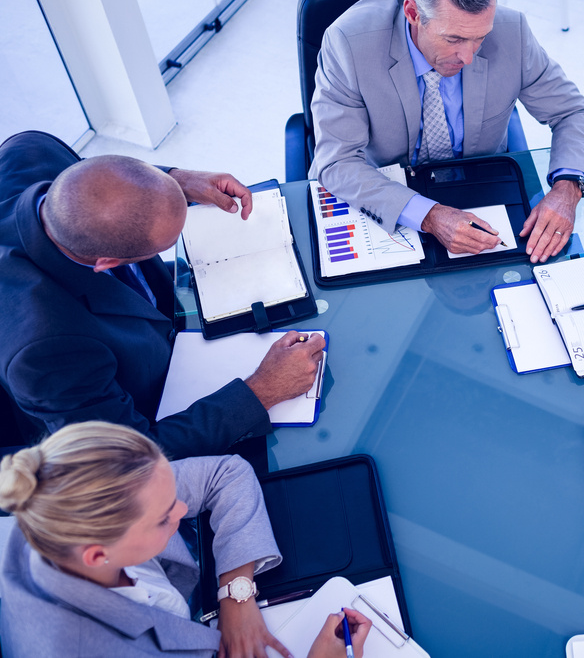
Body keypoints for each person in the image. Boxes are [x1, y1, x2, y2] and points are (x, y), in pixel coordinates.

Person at [0, 130, 326, 458]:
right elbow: (128, 456)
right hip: (145, 400)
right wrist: (263, 391)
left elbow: (100, 181)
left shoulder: (31, 150)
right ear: (107, 263)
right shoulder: (44, 350)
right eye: (169, 243)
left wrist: (175, 180)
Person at [0, 421, 372, 658]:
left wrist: (236, 593)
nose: (182, 511)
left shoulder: (56, 502)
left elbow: (225, 475)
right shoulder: (82, 648)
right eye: (164, 518)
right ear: (98, 556)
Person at [309, 0, 584, 262]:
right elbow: (337, 161)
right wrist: (429, 215)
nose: (468, 57)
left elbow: (572, 112)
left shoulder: (512, 30)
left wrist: (567, 189)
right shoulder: (349, 42)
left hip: (483, 184)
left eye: (480, 38)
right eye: (454, 39)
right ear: (413, 13)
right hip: (390, 193)